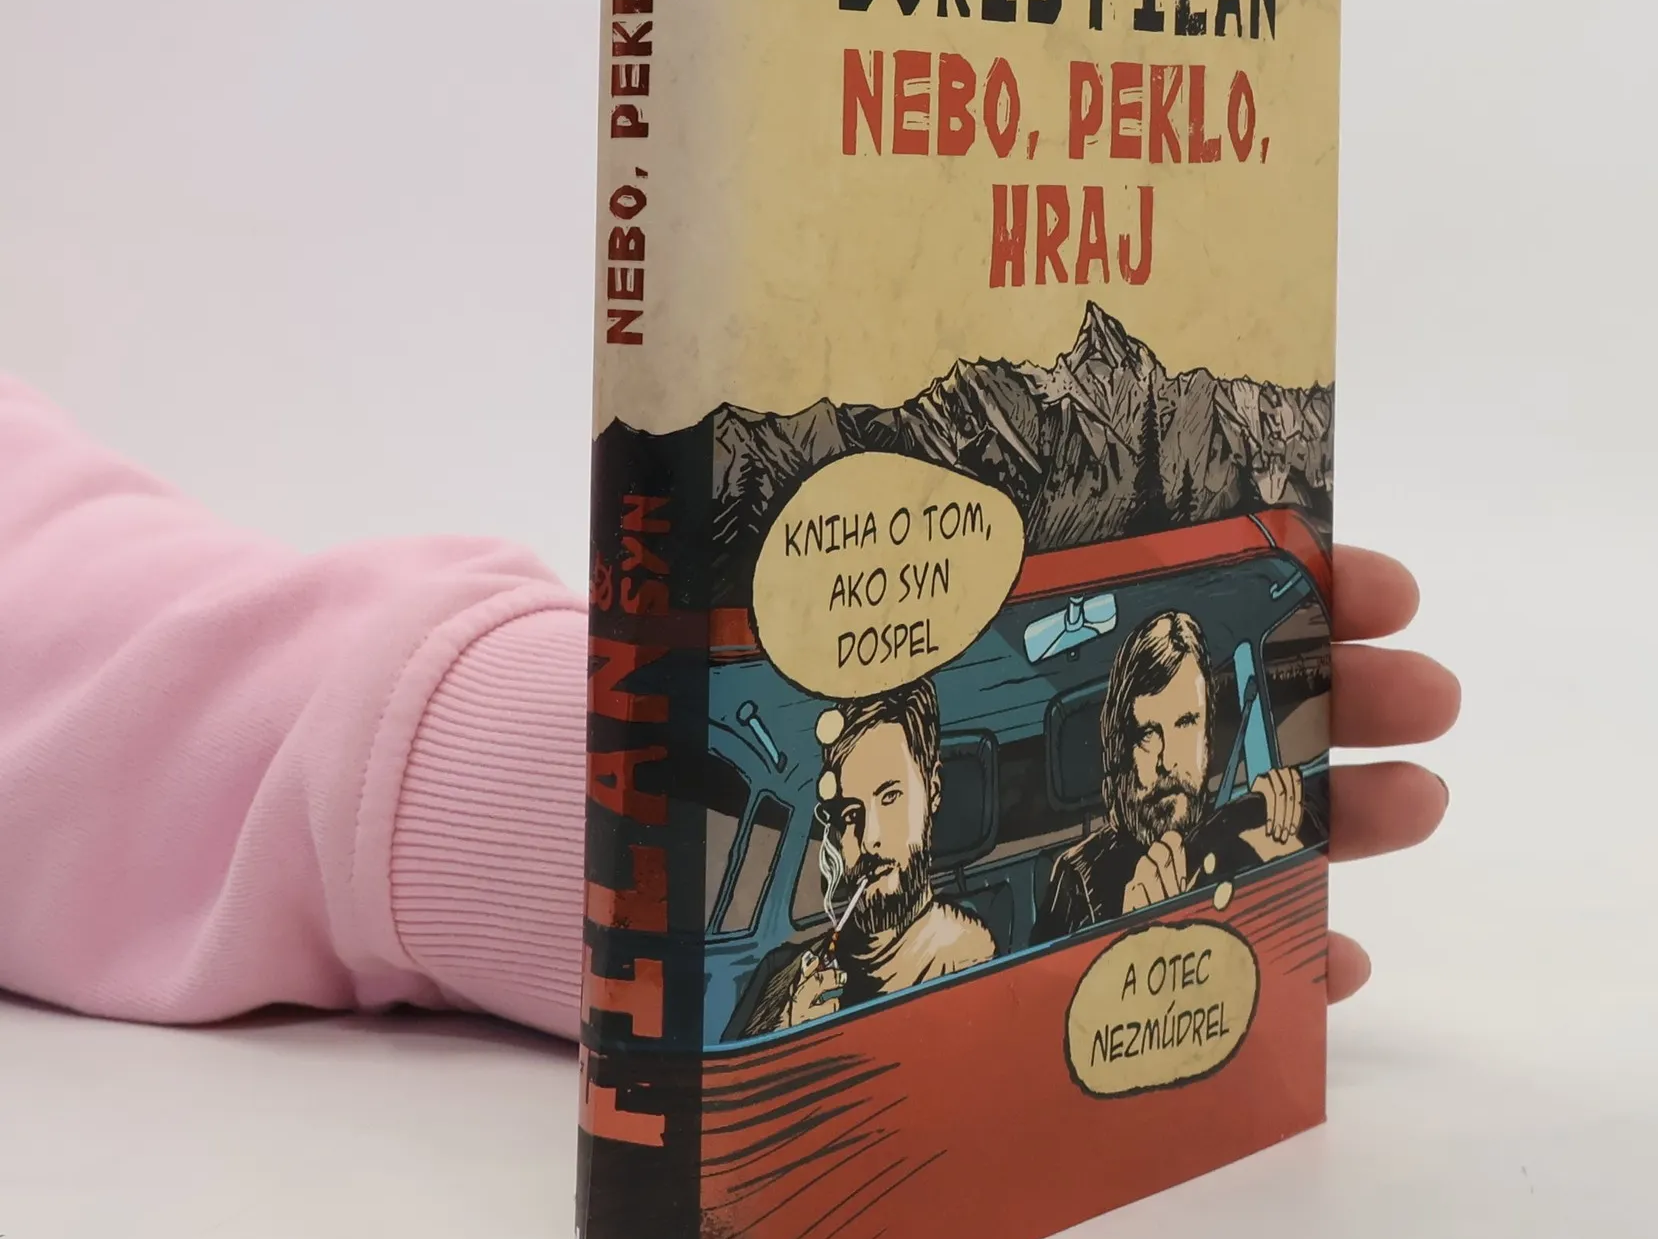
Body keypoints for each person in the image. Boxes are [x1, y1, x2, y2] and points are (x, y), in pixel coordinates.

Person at [0, 373, 1457, 1036]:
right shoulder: (826, 966)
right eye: (842, 811)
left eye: (1183, 729)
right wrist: (511, 794)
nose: (1160, 759)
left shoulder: (1025, 918)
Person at [733, 680, 996, 1035]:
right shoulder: (787, 975)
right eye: (850, 815)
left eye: (890, 797)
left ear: (933, 790)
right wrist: (788, 1030)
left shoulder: (966, 958)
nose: (870, 839)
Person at [1032, 610, 1313, 941]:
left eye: (1185, 724)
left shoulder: (1240, 824)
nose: (1167, 760)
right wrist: (1131, 935)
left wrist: (1279, 818)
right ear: (1122, 752)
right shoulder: (1078, 878)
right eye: (1147, 734)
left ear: (1207, 737)